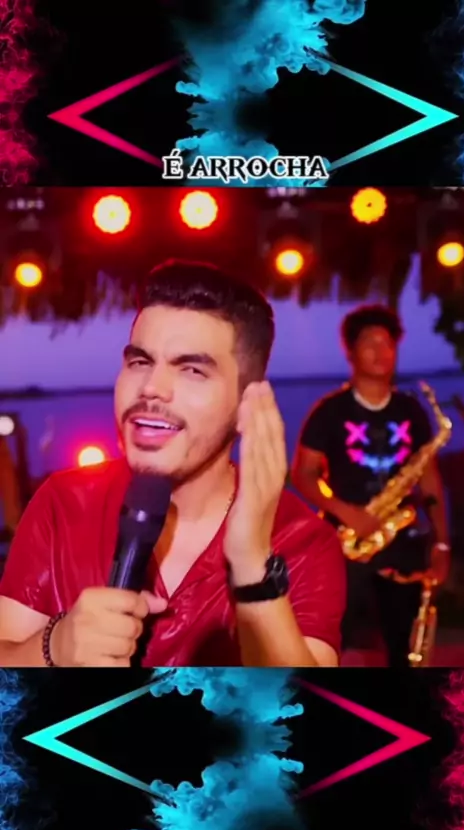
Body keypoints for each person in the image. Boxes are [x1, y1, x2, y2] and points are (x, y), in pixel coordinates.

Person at [0, 259, 345, 667]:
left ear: (247, 403)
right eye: (140, 362)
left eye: (192, 370)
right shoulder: (64, 502)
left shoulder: (303, 542)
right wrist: (53, 649)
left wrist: (252, 568)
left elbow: (302, 705)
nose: (151, 387)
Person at [291, 304, 449, 668]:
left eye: (388, 343)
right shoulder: (329, 411)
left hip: (403, 545)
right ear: (350, 351)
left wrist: (441, 542)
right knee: (330, 645)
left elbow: (429, 478)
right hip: (344, 545)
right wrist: (346, 512)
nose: (381, 351)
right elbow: (304, 474)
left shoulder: (412, 410)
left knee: (405, 650)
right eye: (369, 342)